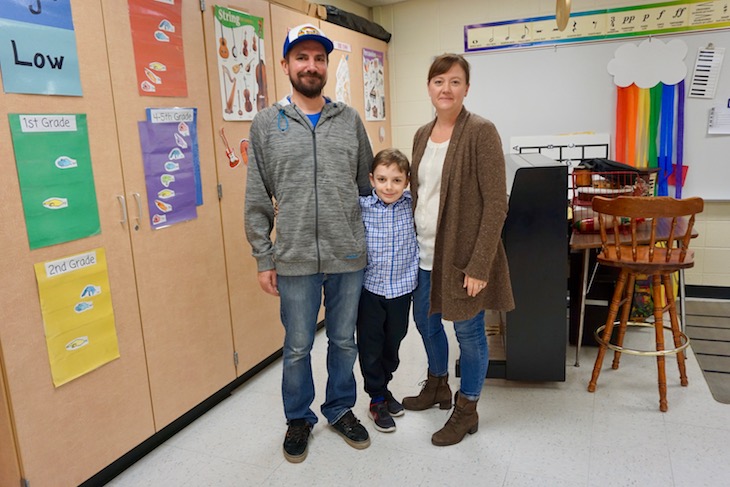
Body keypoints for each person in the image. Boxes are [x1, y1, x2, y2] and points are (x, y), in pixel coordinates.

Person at [244, 23, 374, 463]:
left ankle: (339, 409)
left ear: (327, 65)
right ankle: (298, 418)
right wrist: (264, 256)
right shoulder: (265, 124)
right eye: (302, 57)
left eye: (319, 58)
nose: (311, 66)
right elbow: (257, 197)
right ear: (286, 65)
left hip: (348, 255)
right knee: (298, 345)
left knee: (343, 341)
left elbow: (367, 188)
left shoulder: (350, 120)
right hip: (294, 257)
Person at [401, 53, 515, 446]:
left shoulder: (482, 132)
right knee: (426, 323)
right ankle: (437, 384)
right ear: (428, 87)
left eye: (454, 81)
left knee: (469, 335)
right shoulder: (420, 134)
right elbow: (421, 194)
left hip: (463, 258)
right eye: (438, 81)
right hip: (422, 253)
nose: (445, 89)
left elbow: (497, 203)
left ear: (466, 88)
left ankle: (467, 410)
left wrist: (480, 264)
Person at [356, 149, 418, 433]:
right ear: (371, 179)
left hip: (402, 290)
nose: (388, 187)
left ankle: (385, 385)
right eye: (381, 179)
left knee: (393, 344)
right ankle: (376, 397)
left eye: (396, 180)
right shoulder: (362, 206)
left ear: (406, 181)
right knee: (370, 347)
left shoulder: (411, 205)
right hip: (370, 290)